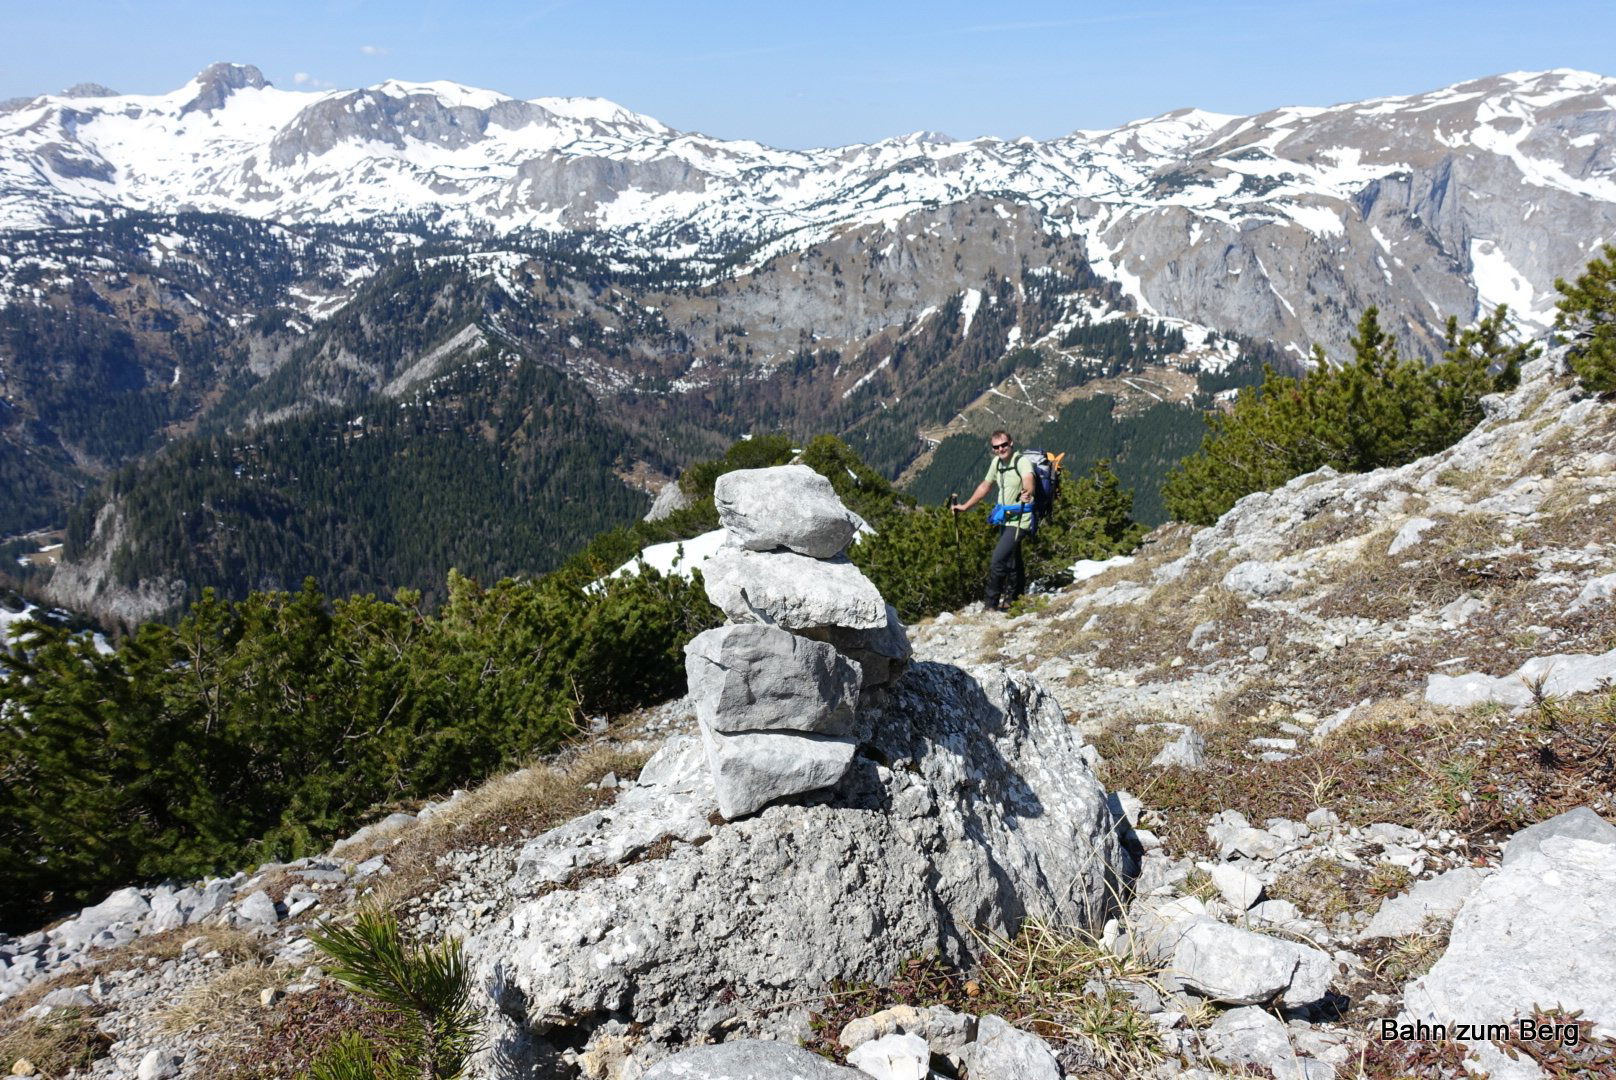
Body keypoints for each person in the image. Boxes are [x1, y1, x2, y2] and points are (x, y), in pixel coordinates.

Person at [952, 429, 1035, 612]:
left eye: (1004, 445)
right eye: (996, 447)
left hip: (1020, 518)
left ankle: (990, 605)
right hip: (1005, 519)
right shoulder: (996, 463)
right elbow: (985, 486)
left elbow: (1029, 479)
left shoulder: (1021, 461)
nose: (1001, 449)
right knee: (1013, 560)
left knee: (998, 560)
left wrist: (1027, 492)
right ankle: (1015, 599)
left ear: (1011, 443)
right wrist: (965, 506)